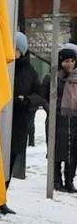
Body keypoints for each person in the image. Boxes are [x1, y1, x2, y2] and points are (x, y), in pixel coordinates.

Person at [1, 32, 45, 213]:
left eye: (16, 49)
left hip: (18, 122)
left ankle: (1, 200)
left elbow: (39, 94)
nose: (13, 52)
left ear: (22, 51)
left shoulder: (30, 71)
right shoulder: (1, 65)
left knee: (9, 162)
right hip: (0, 121)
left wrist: (26, 100)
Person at [44, 44, 77, 192]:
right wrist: (52, 109)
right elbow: (43, 96)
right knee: (55, 151)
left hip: (74, 120)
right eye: (66, 61)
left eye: (72, 61)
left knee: (73, 152)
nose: (69, 64)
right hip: (57, 120)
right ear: (60, 61)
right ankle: (56, 181)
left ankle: (69, 181)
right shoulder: (52, 78)